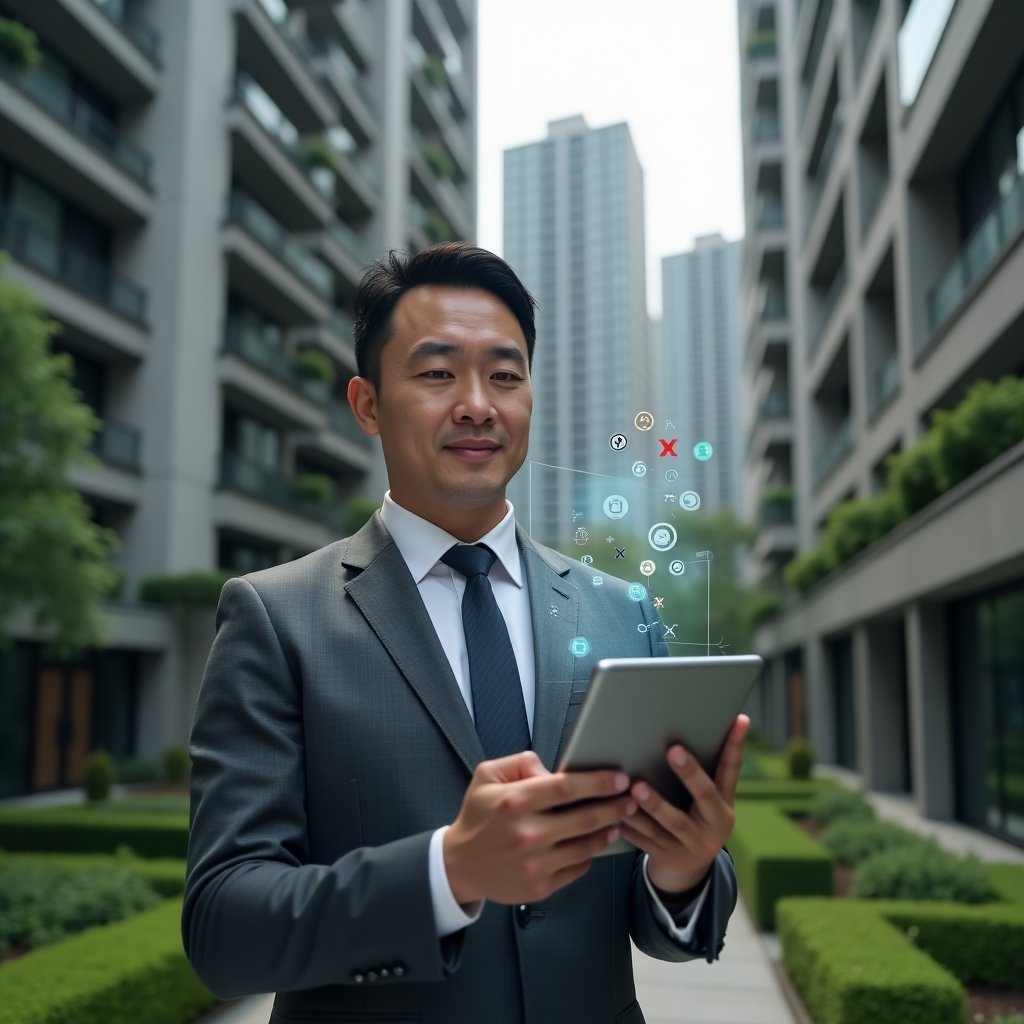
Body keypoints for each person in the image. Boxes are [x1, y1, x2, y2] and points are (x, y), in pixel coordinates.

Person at [182, 242, 749, 1024]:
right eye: (437, 372)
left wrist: (684, 870)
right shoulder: (275, 618)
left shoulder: (624, 615)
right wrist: (448, 872)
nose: (478, 403)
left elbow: (673, 926)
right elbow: (223, 929)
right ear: (368, 403)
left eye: (506, 376)